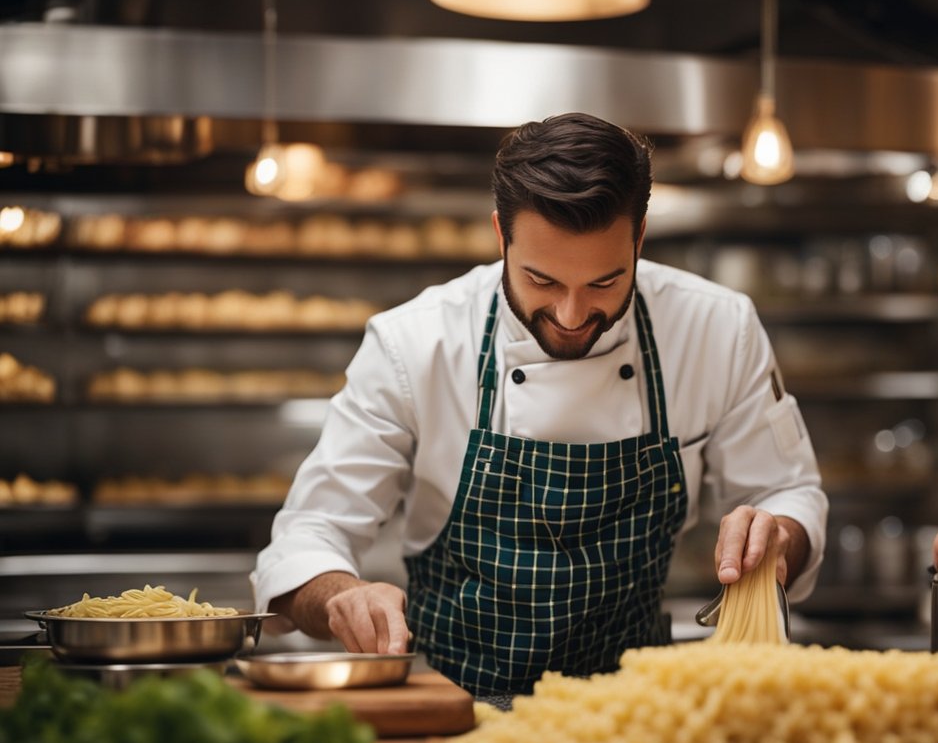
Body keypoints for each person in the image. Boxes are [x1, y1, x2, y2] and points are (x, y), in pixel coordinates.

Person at [251, 112, 828, 696]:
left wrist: (777, 533)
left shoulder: (717, 328)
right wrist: (344, 596)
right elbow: (309, 535)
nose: (573, 316)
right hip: (451, 708)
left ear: (640, 236)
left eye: (604, 283)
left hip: (642, 711)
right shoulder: (412, 344)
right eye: (543, 281)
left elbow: (789, 493)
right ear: (501, 235)